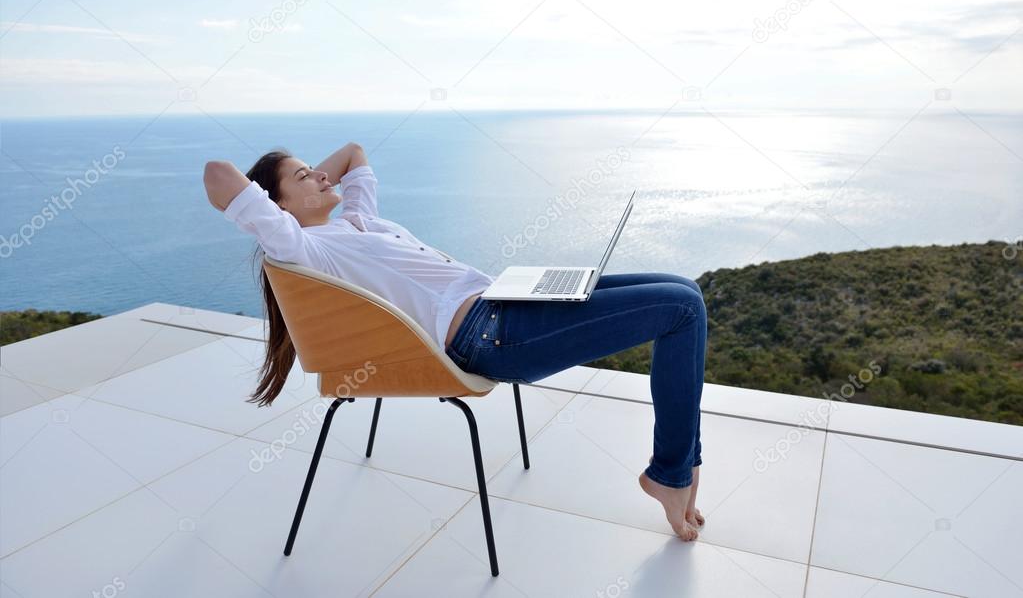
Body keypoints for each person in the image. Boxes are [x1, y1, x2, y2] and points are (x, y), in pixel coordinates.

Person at [204, 142, 707, 540]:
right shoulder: (304, 247)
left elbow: (355, 151)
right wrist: (277, 206)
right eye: (303, 177)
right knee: (682, 311)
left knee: (684, 289)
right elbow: (217, 174)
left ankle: (680, 464)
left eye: (316, 170)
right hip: (490, 337)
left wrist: (307, 181)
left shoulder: (358, 222)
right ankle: (672, 471)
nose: (320, 174)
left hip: (504, 301)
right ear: (276, 208)